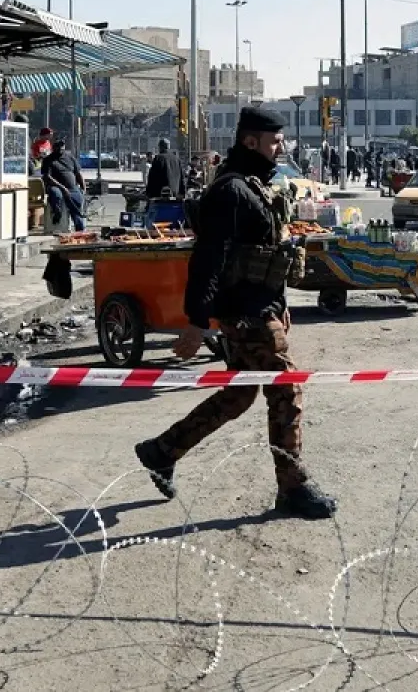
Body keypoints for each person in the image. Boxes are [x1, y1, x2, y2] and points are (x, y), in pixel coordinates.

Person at [134, 106, 337, 520]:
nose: (281, 147)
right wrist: (195, 322)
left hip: (260, 309)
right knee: (286, 388)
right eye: (275, 141)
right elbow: (207, 261)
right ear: (251, 141)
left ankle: (162, 450)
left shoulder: (254, 187)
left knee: (241, 392)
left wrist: (279, 307)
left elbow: (265, 257)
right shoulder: (230, 192)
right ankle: (293, 488)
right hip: (244, 314)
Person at [42, 137, 87, 232]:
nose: (60, 148)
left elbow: (78, 173)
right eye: (58, 146)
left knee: (76, 203)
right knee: (56, 194)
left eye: (62, 146)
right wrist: (62, 188)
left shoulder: (70, 157)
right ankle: (57, 214)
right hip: (56, 186)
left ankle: (80, 229)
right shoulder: (48, 160)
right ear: (54, 147)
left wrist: (83, 187)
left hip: (72, 187)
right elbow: (47, 177)